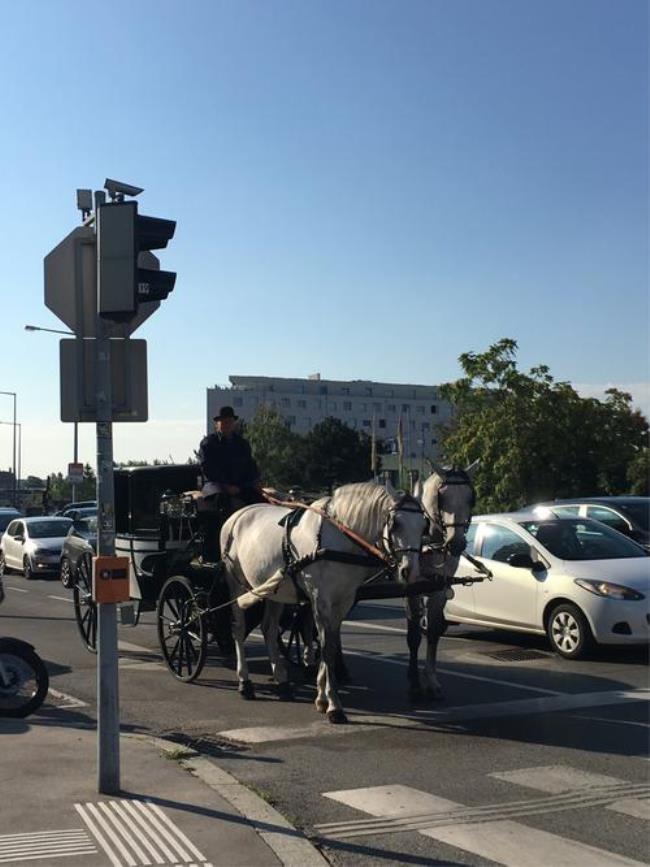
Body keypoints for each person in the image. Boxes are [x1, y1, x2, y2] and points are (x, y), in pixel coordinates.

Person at [197, 406, 263, 561]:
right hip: (215, 486)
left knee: (261, 503)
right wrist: (225, 486)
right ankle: (216, 552)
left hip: (239, 486)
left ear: (233, 423)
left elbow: (250, 466)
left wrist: (255, 481)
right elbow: (207, 468)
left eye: (229, 421)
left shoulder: (242, 444)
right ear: (217, 424)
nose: (227, 424)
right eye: (223, 421)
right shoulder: (208, 443)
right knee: (222, 506)